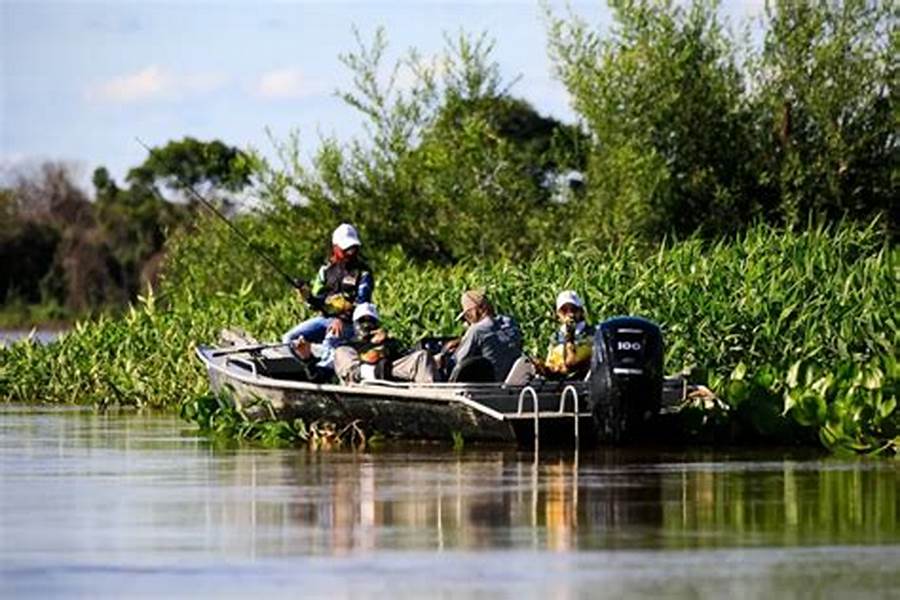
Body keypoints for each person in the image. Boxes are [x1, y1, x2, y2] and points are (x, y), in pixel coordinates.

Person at [282, 223, 374, 350]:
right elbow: (317, 302)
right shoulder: (325, 270)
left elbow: (362, 305)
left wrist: (341, 319)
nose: (350, 252)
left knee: (330, 341)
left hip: (351, 324)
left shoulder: (364, 273)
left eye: (353, 248)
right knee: (289, 339)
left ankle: (323, 369)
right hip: (325, 319)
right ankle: (307, 366)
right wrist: (308, 297)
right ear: (335, 247)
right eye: (346, 248)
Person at [333, 303, 438, 384]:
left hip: (388, 372)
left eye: (371, 321)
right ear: (355, 324)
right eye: (362, 321)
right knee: (341, 352)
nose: (367, 325)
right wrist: (372, 347)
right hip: (362, 378)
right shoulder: (349, 345)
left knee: (422, 356)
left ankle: (431, 401)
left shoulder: (388, 341)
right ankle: (370, 373)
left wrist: (387, 343)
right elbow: (364, 359)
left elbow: (404, 355)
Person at [440, 289, 523, 382]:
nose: (467, 321)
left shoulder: (477, 330)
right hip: (512, 383)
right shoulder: (511, 323)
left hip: (489, 386)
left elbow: (455, 363)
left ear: (473, 311)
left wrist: (443, 357)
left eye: (467, 316)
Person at [535, 290, 595, 380]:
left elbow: (572, 363)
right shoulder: (555, 337)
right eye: (564, 310)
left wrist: (570, 337)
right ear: (558, 314)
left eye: (574, 309)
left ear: (581, 311)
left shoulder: (590, 333)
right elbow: (551, 364)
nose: (570, 314)